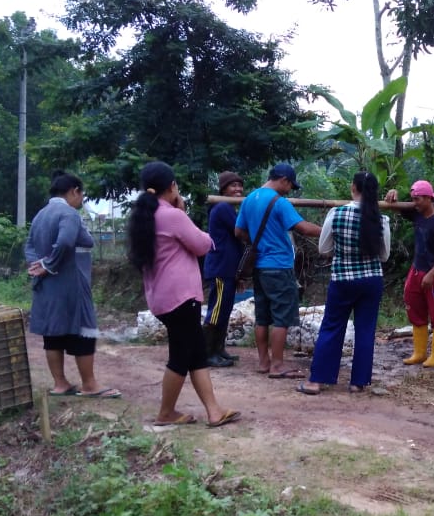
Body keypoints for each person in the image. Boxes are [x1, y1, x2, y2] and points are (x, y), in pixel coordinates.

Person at [126, 161, 240, 427]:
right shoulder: (172, 216)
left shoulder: (145, 218)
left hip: (162, 298)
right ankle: (166, 413)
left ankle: (213, 411)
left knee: (196, 353)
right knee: (181, 355)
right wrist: (183, 213)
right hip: (181, 298)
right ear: (172, 186)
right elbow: (202, 244)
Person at [25, 171, 121, 398]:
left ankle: (60, 384)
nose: (82, 201)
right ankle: (89, 385)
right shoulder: (68, 213)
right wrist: (48, 264)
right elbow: (66, 241)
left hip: (47, 287)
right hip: (71, 284)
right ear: (74, 191)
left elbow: (29, 245)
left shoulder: (40, 215)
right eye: (82, 196)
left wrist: (36, 265)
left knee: (53, 334)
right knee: (84, 331)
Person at [297, 172, 391, 395]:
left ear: (353, 188)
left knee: (332, 326)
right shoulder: (381, 219)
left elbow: (324, 249)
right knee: (366, 330)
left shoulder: (336, 214)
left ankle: (317, 380)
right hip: (371, 281)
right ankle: (358, 383)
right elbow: (384, 256)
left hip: (342, 280)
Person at [234, 163, 323, 379]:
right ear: (283, 179)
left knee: (262, 317)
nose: (289, 190)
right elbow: (302, 227)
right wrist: (329, 231)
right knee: (282, 317)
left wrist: (257, 242)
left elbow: (238, 231)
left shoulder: (250, 198)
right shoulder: (279, 202)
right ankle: (278, 365)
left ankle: (264, 362)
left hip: (259, 266)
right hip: (279, 266)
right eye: (290, 186)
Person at [384, 180, 434, 367]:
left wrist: (431, 274)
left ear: (429, 198)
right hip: (416, 270)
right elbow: (393, 206)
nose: (415, 203)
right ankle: (420, 352)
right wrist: (392, 192)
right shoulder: (417, 215)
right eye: (413, 199)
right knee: (414, 308)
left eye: (418, 199)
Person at [203, 171, 245, 368]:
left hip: (228, 268)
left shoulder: (227, 208)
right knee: (217, 310)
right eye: (233, 186)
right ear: (223, 189)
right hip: (221, 267)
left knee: (225, 310)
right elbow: (242, 232)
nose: (237, 189)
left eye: (239, 185)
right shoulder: (222, 208)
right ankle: (206, 353)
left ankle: (218, 349)